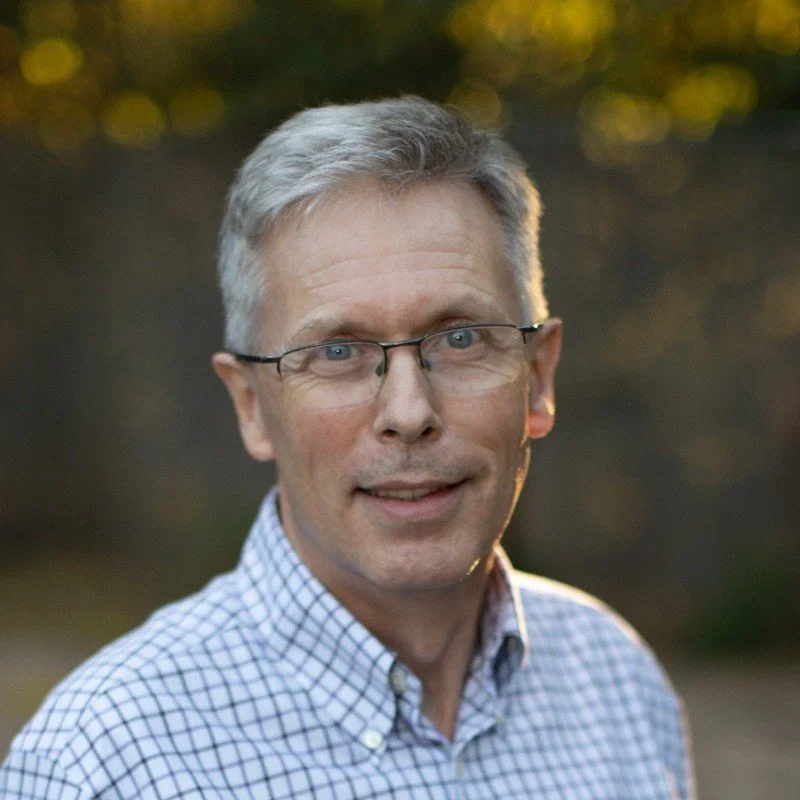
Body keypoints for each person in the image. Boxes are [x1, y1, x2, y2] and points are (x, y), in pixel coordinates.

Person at [1, 97, 694, 799]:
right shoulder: (106, 762)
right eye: (336, 351)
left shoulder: (616, 682)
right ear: (251, 406)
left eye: (459, 338)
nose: (408, 413)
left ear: (537, 377)